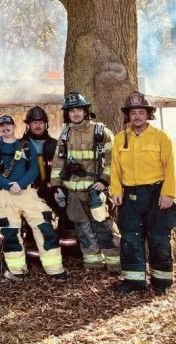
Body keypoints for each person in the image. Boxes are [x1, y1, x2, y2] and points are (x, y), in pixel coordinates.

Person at [110, 91, 176, 296]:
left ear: (148, 114)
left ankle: (162, 281)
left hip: (157, 194)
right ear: (128, 116)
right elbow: (114, 168)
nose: (137, 116)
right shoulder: (120, 138)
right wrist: (115, 191)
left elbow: (171, 167)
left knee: (158, 237)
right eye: (133, 113)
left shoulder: (161, 137)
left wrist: (168, 194)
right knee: (130, 237)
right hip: (130, 195)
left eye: (141, 112)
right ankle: (134, 280)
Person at [0, 115, 68, 282]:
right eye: (2, 126)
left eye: (8, 125)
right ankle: (17, 271)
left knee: (44, 227)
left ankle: (55, 270)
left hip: (28, 193)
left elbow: (33, 170)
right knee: (11, 233)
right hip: (5, 195)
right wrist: (9, 185)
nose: (5, 128)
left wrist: (21, 183)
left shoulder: (25, 146)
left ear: (14, 127)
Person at [51, 92, 120, 273]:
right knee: (82, 229)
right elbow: (58, 163)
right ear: (67, 114)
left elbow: (114, 160)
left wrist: (105, 181)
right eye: (71, 110)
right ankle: (93, 264)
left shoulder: (101, 132)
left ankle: (114, 264)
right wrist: (57, 187)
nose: (75, 113)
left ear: (85, 110)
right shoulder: (65, 135)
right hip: (73, 192)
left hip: (95, 190)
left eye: (78, 109)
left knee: (104, 227)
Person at [22, 106, 75, 247]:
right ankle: (33, 244)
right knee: (33, 216)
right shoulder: (21, 145)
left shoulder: (55, 144)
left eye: (41, 122)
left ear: (46, 124)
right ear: (28, 125)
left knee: (66, 209)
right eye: (34, 122)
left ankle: (67, 244)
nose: (38, 125)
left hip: (53, 188)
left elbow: (62, 167)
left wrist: (60, 187)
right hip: (30, 189)